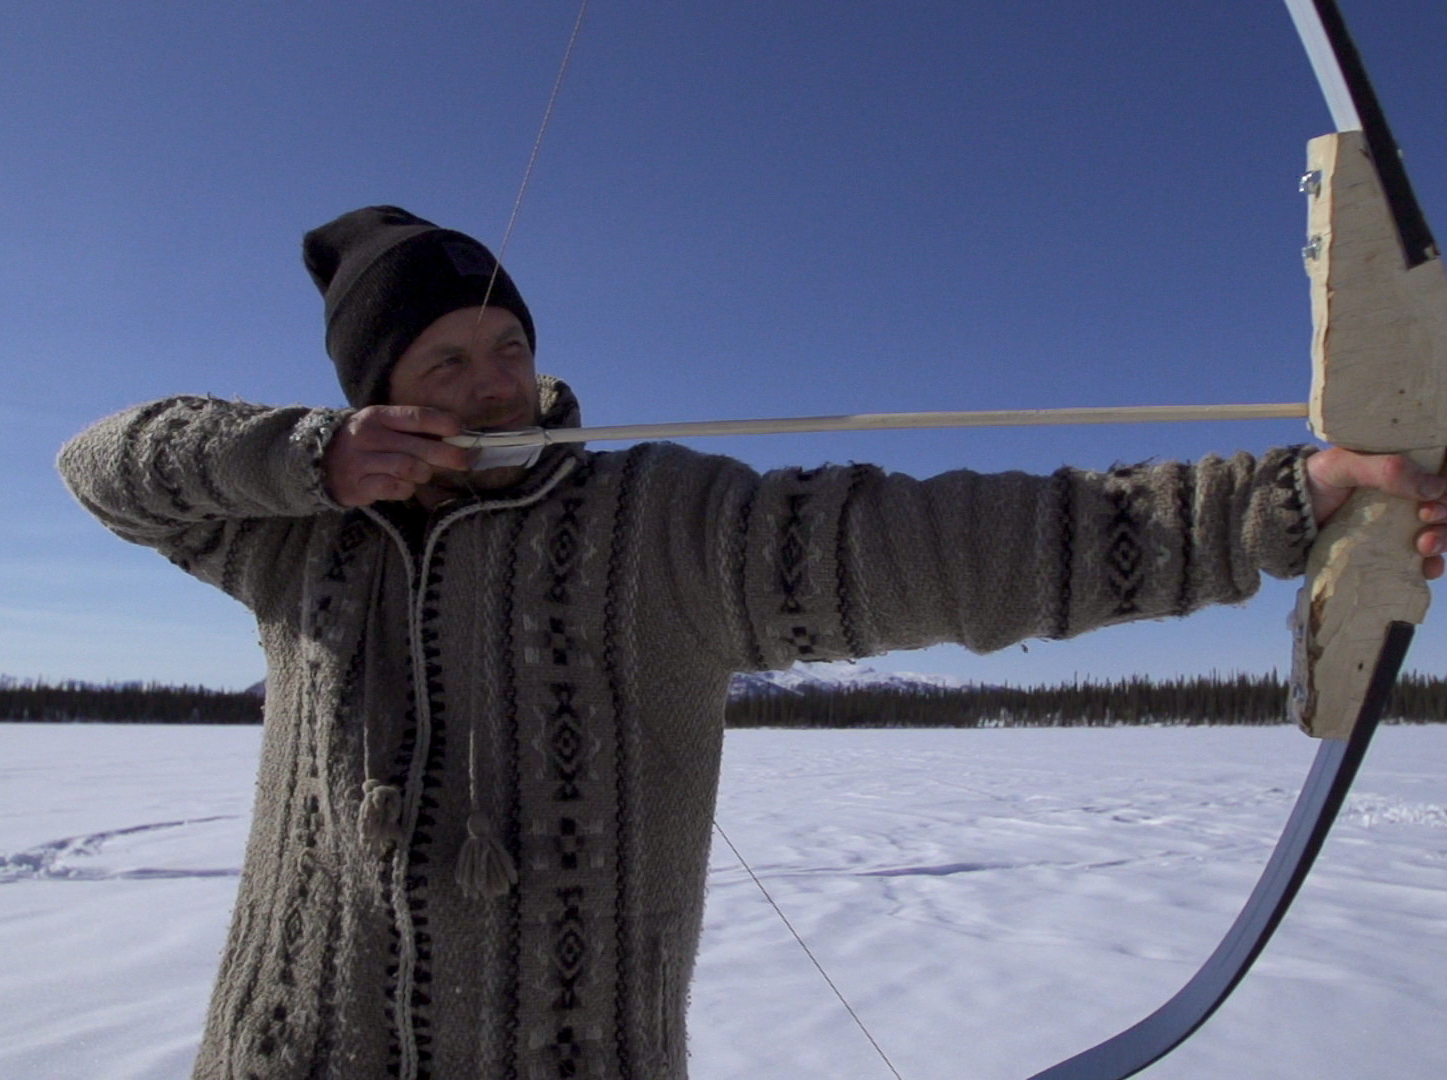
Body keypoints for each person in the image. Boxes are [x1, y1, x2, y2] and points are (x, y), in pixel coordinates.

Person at [57, 205, 1447, 1080]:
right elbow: (103, 465)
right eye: (450, 364)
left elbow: (964, 547)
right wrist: (303, 460)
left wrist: (1290, 499)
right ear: (380, 397)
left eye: (510, 347)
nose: (499, 385)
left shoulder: (655, 524)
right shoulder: (296, 538)